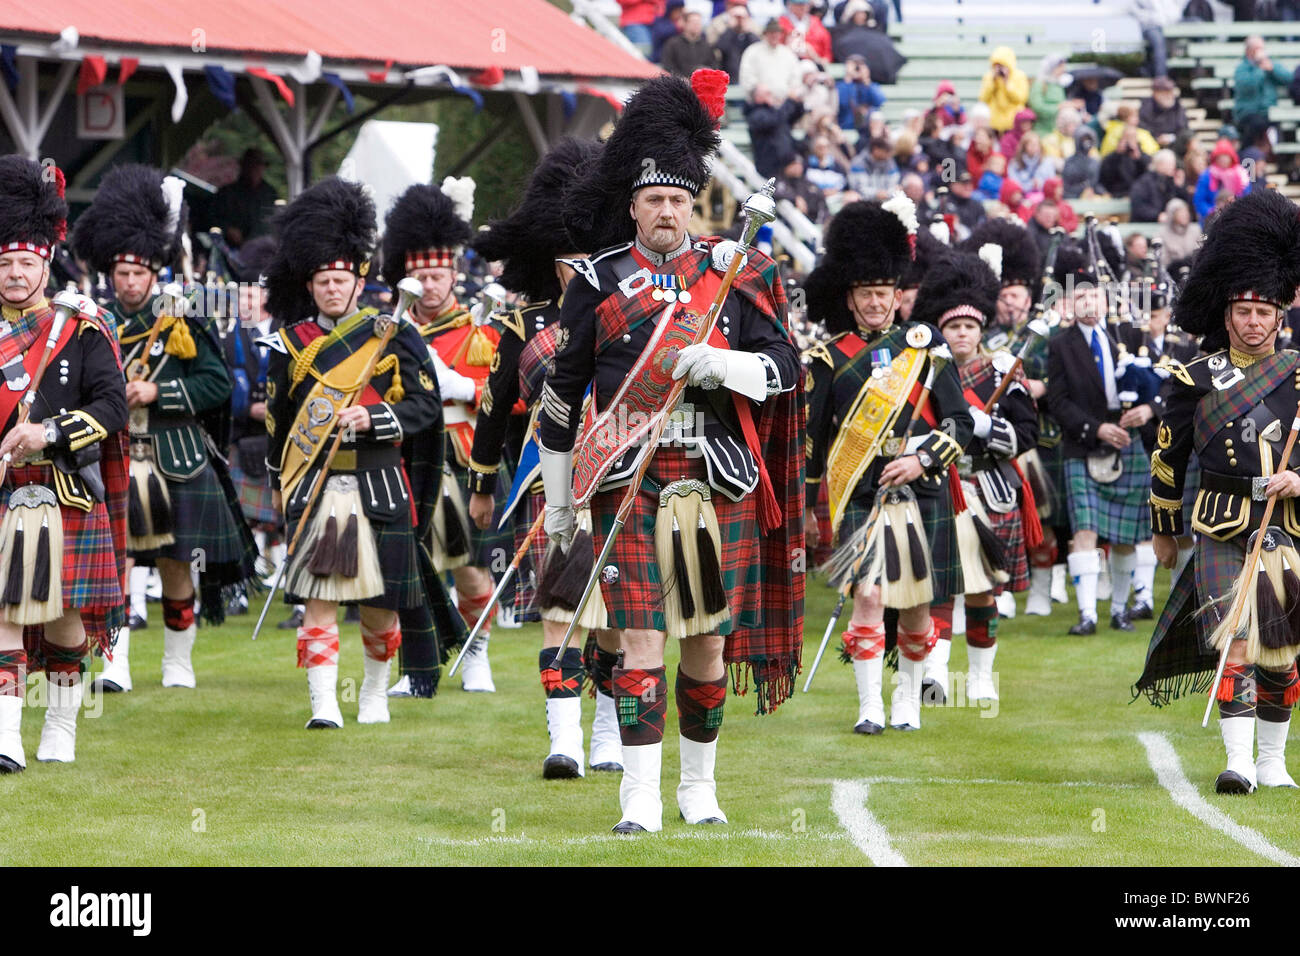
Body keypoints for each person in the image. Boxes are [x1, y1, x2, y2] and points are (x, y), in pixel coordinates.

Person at [542, 70, 805, 833]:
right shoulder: (596, 280)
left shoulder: (736, 272)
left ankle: (699, 790)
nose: (667, 212)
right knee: (639, 644)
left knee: (706, 650)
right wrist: (561, 500)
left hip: (716, 479)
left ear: (696, 205)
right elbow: (563, 394)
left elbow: (788, 368)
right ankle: (639, 801)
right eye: (654, 200)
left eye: (680, 201)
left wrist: (729, 366)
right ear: (633, 205)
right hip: (628, 479)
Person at [261, 177, 455, 728]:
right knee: (319, 598)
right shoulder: (290, 343)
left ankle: (372, 693)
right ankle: (324, 704)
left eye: (341, 279)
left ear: (359, 280)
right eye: (323, 280)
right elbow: (279, 422)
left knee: (381, 603)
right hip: (318, 481)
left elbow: (425, 407)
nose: (332, 290)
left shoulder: (392, 333)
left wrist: (374, 417)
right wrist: (282, 483)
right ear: (310, 283)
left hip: (379, 481)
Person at [467, 138, 624, 779]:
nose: (578, 268)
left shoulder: (628, 312)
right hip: (551, 474)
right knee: (559, 607)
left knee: (614, 613)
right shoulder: (522, 324)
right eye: (568, 259)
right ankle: (563, 739)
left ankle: (611, 733)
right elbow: (493, 404)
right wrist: (481, 483)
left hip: (617, 472)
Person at [1136, 187, 1300, 794]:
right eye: (1243, 311)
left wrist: (1298, 478)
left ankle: (1272, 763)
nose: (1252, 322)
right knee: (1235, 640)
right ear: (1225, 313)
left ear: (1280, 315)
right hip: (1221, 522)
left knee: (1281, 653)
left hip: (1286, 524)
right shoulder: (1195, 377)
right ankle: (1235, 763)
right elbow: (1167, 454)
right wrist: (1162, 528)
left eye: (1264, 312)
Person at [73, 165, 256, 694]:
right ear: (111, 273)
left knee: (177, 563)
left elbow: (218, 383)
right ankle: (116, 664)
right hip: (114, 452)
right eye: (122, 274)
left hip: (177, 452)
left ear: (155, 272)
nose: (130, 283)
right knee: (116, 560)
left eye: (139, 274)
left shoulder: (182, 316)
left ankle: (178, 662)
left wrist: (159, 392)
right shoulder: (96, 322)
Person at [803, 197, 974, 734]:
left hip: (922, 489)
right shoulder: (827, 359)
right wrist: (812, 507)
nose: (875, 302)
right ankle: (869, 707)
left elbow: (961, 423)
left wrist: (923, 457)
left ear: (898, 297)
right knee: (870, 594)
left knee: (917, 602)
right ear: (849, 298)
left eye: (884, 293)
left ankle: (906, 701)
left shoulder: (927, 351)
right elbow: (814, 442)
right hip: (859, 490)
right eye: (865, 294)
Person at [0, 156, 129, 771]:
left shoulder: (79, 327)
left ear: (46, 262)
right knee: (2, 613)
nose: (16, 273)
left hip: (63, 492)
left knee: (64, 621)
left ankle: (59, 728)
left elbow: (112, 405)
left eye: (26, 262)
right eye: (4, 263)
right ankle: (5, 738)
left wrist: (48, 432)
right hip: (2, 491)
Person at [381, 178, 505, 695]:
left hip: (462, 456)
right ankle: (419, 663)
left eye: (437, 275)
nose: (429, 286)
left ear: (453, 275)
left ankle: (476, 652)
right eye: (420, 277)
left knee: (471, 568)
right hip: (408, 456)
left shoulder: (481, 327)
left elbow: (509, 395)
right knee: (412, 569)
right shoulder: (388, 331)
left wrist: (462, 386)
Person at [926, 250, 1040, 701]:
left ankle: (978, 679)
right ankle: (934, 674)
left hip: (990, 491)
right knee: (938, 588)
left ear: (981, 330)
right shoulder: (927, 370)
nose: (961, 334)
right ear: (942, 329)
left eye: (969, 327)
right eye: (953, 327)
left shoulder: (1003, 369)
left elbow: (1030, 433)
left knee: (982, 591)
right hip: (941, 487)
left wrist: (984, 424)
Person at [1045, 246, 1151, 634]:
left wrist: (1148, 410)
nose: (1089, 302)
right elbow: (1057, 402)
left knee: (1128, 535)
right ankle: (1087, 614)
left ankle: (1120, 609)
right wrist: (1095, 429)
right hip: (1083, 442)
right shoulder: (1060, 344)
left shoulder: (1129, 333)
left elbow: (1161, 379)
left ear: (1106, 300)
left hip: (1128, 440)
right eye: (1080, 296)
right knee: (1085, 530)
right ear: (1069, 304)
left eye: (1095, 295)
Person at [210, 148, 278, 248]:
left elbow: (275, 222)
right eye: (251, 165)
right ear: (243, 166)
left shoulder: (270, 194)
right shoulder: (227, 193)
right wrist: (228, 229)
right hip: (231, 250)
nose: (254, 169)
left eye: (258, 165)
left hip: (262, 251)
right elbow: (212, 218)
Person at [1232, 36, 1293, 148]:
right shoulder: (1242, 68)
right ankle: (1247, 154)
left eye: (1262, 48)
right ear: (1249, 51)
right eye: (1257, 48)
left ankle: (1279, 158)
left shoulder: (1270, 63)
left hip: (1270, 111)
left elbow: (1289, 79)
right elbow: (1247, 86)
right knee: (1256, 124)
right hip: (1248, 111)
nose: (1260, 52)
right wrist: (1260, 69)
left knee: (1285, 126)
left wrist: (1273, 69)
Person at [745, 84, 806, 178]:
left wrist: (798, 103)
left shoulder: (774, 111)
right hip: (771, 169)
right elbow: (775, 121)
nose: (771, 95)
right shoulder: (755, 114)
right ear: (757, 97)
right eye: (767, 93)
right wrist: (789, 101)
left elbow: (790, 118)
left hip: (788, 165)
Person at [738, 18, 803, 101]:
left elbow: (796, 78)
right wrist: (757, 89)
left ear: (780, 34)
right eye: (771, 32)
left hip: (785, 101)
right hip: (760, 102)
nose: (774, 35)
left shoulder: (788, 53)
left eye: (777, 32)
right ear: (765, 34)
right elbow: (746, 76)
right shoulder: (752, 51)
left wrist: (791, 92)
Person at [1193, 139, 1251, 221]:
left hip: (1236, 216)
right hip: (1212, 217)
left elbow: (1247, 195)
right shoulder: (1207, 175)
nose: (1223, 159)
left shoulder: (1241, 174)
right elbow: (1199, 200)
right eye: (1220, 156)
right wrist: (1211, 212)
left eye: (1226, 156)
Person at [979, 47, 1031, 135]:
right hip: (993, 123)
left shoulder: (1020, 76)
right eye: (997, 65)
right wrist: (993, 82)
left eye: (1002, 65)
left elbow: (1022, 98)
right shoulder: (989, 77)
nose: (1000, 69)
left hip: (1013, 122)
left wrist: (1007, 84)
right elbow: (983, 99)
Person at [1129, 148, 1189, 223]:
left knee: (1199, 232)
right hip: (1147, 224)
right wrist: (1157, 216)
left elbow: (1184, 202)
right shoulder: (1144, 182)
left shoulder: (1171, 181)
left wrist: (1180, 187)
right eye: (1171, 164)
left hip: (1168, 226)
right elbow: (1138, 206)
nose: (1174, 167)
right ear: (1159, 164)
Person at [835, 55, 886, 133]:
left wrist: (866, 81)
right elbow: (842, 103)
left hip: (867, 128)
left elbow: (879, 101)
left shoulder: (870, 86)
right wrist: (848, 79)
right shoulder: (842, 86)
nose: (857, 70)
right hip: (847, 125)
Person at [711, 0, 760, 81]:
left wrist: (748, 31)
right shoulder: (718, 22)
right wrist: (730, 28)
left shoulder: (752, 24)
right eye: (735, 5)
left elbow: (758, 48)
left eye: (742, 5)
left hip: (749, 74)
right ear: (728, 5)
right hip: (727, 72)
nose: (739, 7)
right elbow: (720, 48)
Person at [661, 11, 718, 77]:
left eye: (699, 23)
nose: (697, 25)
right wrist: (682, 79)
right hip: (680, 84)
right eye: (693, 22)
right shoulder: (672, 44)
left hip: (702, 83)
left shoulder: (707, 45)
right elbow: (668, 67)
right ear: (685, 23)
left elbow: (713, 66)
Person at [1098, 127, 1149, 198]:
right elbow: (1105, 177)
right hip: (1116, 193)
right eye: (1126, 138)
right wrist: (1117, 155)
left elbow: (1148, 176)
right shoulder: (1111, 158)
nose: (1128, 142)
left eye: (1131, 138)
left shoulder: (1144, 157)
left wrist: (1138, 158)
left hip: (1138, 193)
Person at [1138, 76, 1188, 148]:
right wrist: (1157, 137)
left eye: (1170, 91)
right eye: (1163, 91)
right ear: (1155, 93)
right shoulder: (1146, 108)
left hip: (1176, 146)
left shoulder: (1178, 108)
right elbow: (1143, 129)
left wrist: (1172, 137)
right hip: (1152, 146)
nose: (1168, 95)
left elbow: (1184, 128)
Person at [1007, 131, 1057, 196]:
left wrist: (1039, 184)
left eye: (1036, 144)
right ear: (1024, 146)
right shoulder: (1015, 163)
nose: (1034, 146)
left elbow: (1052, 182)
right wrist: (1031, 185)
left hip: (1043, 197)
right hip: (1022, 197)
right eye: (1031, 144)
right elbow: (1014, 185)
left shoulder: (1047, 162)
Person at [851, 135, 900, 201]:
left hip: (886, 200)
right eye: (886, 151)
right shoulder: (859, 163)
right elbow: (859, 189)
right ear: (876, 149)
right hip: (865, 202)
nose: (889, 154)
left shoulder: (890, 161)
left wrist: (889, 192)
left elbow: (894, 183)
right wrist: (876, 193)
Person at [1029, 55, 1068, 137]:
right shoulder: (1039, 84)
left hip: (1058, 133)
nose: (1063, 70)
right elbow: (1037, 107)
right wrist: (1058, 107)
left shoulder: (1058, 85)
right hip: (1042, 132)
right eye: (1060, 67)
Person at [1157, 197, 1201, 265]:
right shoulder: (1162, 234)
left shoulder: (1196, 230)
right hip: (1173, 271)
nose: (1185, 215)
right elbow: (1163, 261)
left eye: (1186, 211)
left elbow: (1201, 254)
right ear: (1172, 215)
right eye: (1181, 212)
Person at [1062, 126, 1102, 198]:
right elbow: (1067, 186)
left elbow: (1096, 184)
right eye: (1083, 139)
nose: (1086, 142)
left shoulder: (1095, 163)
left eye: (1089, 139)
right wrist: (1083, 188)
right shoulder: (1069, 162)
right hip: (1072, 197)